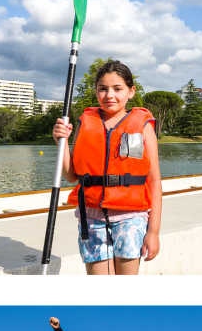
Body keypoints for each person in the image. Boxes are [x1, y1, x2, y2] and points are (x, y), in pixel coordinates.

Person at [52, 59, 163, 275]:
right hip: (91, 217)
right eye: (102, 89)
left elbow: (154, 180)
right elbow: (71, 176)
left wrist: (154, 231)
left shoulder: (142, 125)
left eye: (117, 88)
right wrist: (61, 142)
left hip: (131, 216)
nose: (109, 95)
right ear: (96, 92)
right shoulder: (86, 122)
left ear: (131, 92)